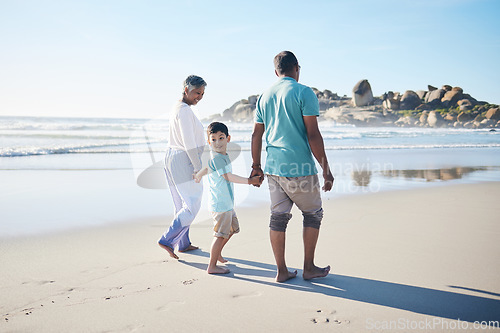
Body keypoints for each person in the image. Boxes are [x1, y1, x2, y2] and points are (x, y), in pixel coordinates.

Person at [250, 51, 335, 282]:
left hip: (273, 168)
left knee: (278, 218)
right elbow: (313, 134)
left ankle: (282, 271)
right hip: (300, 168)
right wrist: (326, 169)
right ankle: (309, 268)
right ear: (297, 68)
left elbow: (257, 135)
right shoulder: (304, 92)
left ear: (276, 71)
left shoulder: (264, 96)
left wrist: (256, 166)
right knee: (313, 215)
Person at [195, 122, 262, 274]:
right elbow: (228, 176)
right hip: (220, 204)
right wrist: (250, 181)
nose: (217, 142)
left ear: (228, 138)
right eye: (213, 139)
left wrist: (199, 174)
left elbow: (208, 168)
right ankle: (212, 266)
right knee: (220, 235)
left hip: (226, 203)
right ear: (208, 141)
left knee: (232, 229)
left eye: (221, 138)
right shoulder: (218, 158)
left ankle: (217, 253)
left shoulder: (221, 156)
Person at [158, 75, 207, 260]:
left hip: (171, 157)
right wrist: (197, 167)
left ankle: (183, 243)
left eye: (202, 94)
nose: (199, 97)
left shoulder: (178, 107)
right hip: (183, 158)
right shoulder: (185, 111)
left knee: (180, 204)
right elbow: (188, 142)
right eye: (196, 92)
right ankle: (167, 239)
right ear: (186, 89)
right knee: (193, 205)